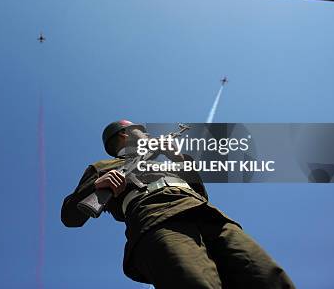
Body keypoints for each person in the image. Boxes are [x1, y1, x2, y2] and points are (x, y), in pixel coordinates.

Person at [61, 119, 295, 289]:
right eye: (140, 130)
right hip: (157, 220)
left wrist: (179, 159)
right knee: (193, 282)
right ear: (124, 134)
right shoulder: (102, 166)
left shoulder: (167, 161)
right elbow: (70, 217)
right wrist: (97, 186)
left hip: (210, 218)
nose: (148, 134)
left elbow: (200, 194)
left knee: (267, 276)